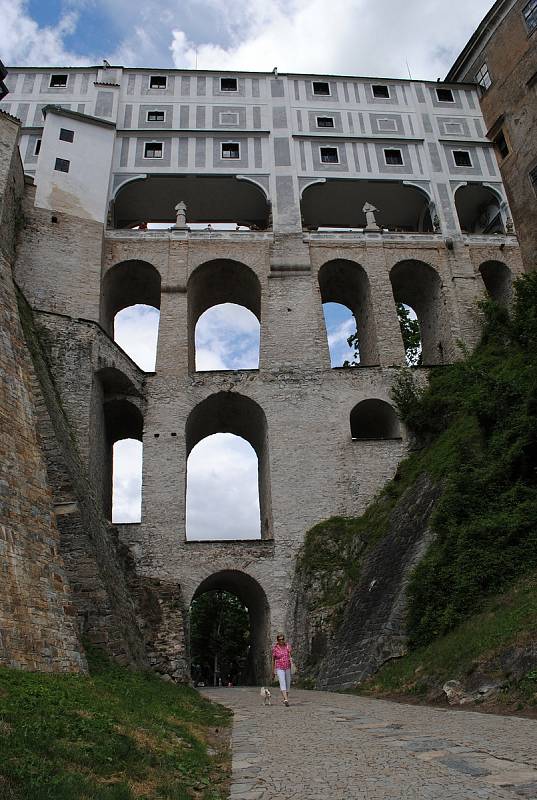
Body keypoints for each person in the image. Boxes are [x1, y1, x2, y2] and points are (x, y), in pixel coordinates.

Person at [272, 633, 293, 706]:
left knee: (288, 683)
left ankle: (285, 698)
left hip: (288, 667)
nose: (281, 641)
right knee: (282, 682)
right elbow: (273, 660)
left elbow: (290, 655)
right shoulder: (275, 648)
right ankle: (286, 699)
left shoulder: (288, 646)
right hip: (279, 667)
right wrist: (273, 671)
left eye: (282, 639)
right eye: (280, 639)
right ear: (277, 640)